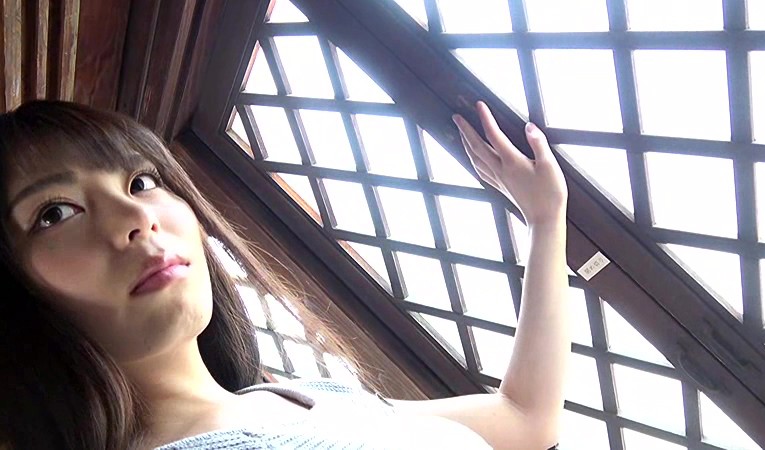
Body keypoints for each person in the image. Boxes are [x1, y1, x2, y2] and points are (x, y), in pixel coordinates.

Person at [0, 99, 569, 449]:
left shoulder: (299, 398)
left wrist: (545, 219)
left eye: (142, 182)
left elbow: (523, 418)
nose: (135, 218)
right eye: (54, 213)